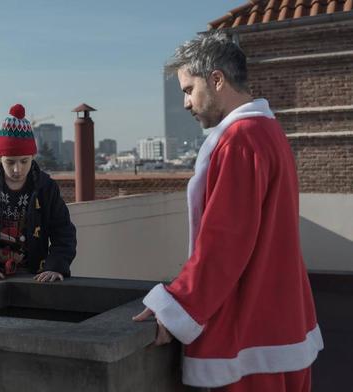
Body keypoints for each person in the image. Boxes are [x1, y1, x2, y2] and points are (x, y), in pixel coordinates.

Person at [133, 32, 323, 391]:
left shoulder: (239, 140)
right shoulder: (269, 131)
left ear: (217, 79)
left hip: (250, 335)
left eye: (189, 89)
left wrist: (176, 308)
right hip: (284, 322)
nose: (186, 103)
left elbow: (224, 244)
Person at [0, 104, 76, 282]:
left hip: (35, 275)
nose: (17, 169)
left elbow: (63, 231)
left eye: (24, 161)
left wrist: (56, 267)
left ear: (32, 157)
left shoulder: (46, 187)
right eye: (10, 162)